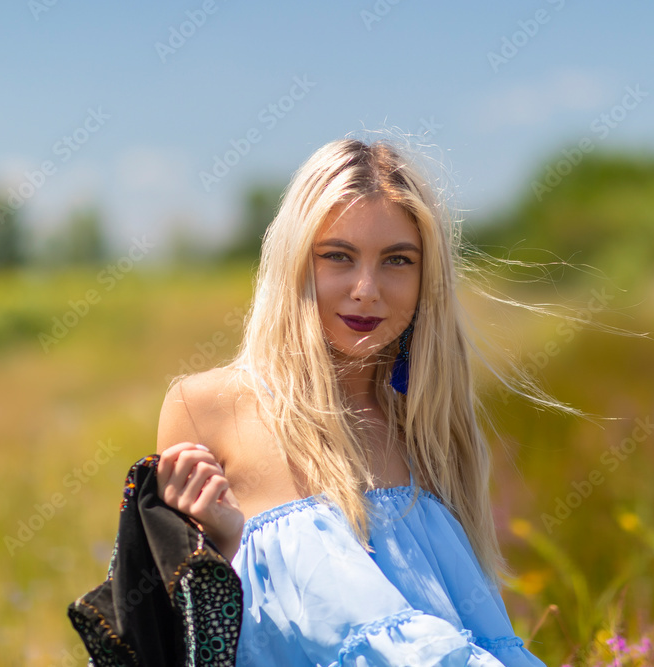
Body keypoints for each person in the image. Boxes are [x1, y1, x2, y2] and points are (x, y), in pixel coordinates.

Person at [155, 137, 549, 666]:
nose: (366, 288)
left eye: (397, 261)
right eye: (338, 256)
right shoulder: (206, 409)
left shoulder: (428, 432)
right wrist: (220, 550)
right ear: (296, 264)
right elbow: (171, 640)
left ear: (425, 279)